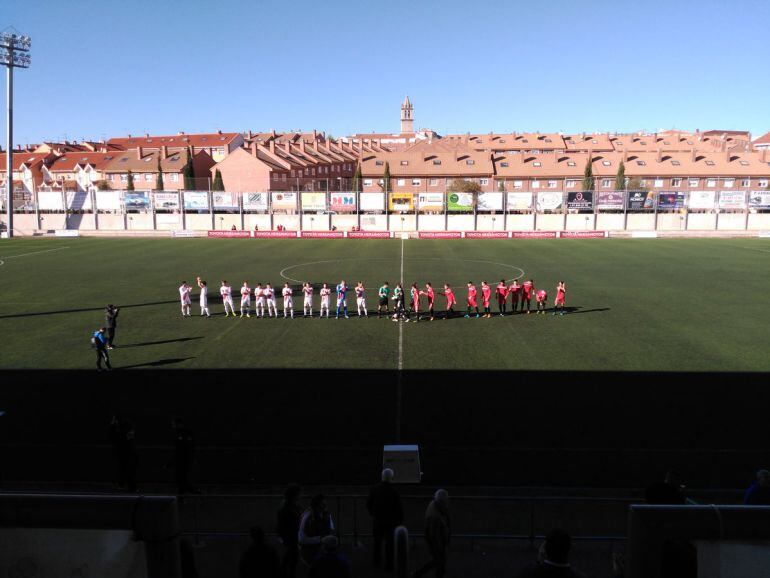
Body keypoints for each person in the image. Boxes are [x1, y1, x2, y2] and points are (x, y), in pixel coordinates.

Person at [367, 468, 404, 571]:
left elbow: (369, 504)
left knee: (377, 542)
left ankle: (377, 561)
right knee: (390, 544)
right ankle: (389, 565)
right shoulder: (394, 492)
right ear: (391, 478)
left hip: (378, 521)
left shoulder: (374, 489)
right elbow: (399, 509)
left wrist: (373, 514)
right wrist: (399, 521)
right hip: (390, 523)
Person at [517, 528, 587, 578]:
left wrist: (538, 562)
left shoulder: (530, 572)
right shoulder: (579, 576)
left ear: (544, 550)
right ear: (568, 550)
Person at [413, 489, 451, 578]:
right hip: (437, 543)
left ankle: (419, 573)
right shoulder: (435, 517)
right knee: (437, 560)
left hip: (436, 541)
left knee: (437, 561)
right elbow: (434, 535)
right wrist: (441, 547)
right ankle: (418, 573)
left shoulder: (433, 506)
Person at [299, 494, 336, 565]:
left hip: (323, 549)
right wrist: (320, 539)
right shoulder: (307, 516)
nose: (325, 505)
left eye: (325, 503)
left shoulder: (326, 514)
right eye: (323, 504)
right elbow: (301, 539)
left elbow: (331, 530)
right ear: (316, 505)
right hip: (310, 551)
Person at [276, 484, 302, 578]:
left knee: (291, 553)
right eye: (298, 494)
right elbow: (289, 521)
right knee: (293, 555)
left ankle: (284, 571)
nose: (300, 495)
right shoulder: (287, 508)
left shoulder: (290, 505)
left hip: (291, 534)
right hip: (290, 535)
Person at [109, 415, 138, 492]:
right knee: (123, 469)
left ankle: (131, 486)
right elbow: (114, 438)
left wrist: (113, 427)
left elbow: (120, 438)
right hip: (124, 451)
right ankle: (124, 485)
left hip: (127, 451)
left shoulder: (124, 428)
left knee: (127, 469)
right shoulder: (123, 428)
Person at [172, 417, 198, 494]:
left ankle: (196, 493)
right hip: (182, 460)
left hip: (184, 461)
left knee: (181, 480)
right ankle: (183, 497)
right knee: (181, 480)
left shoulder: (184, 433)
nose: (172, 425)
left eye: (174, 424)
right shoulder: (180, 433)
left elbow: (185, 448)